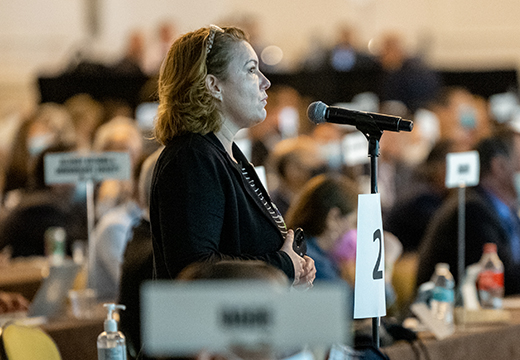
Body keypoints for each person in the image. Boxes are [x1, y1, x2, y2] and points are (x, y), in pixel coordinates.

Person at [150, 25, 315, 286]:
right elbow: (195, 270)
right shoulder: (192, 158)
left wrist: (294, 268)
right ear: (213, 85)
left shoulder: (227, 153)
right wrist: (282, 267)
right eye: (251, 70)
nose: (265, 81)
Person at [416, 132, 520, 295]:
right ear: (499, 166)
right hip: (445, 312)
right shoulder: (471, 209)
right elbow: (502, 280)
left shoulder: (505, 209)